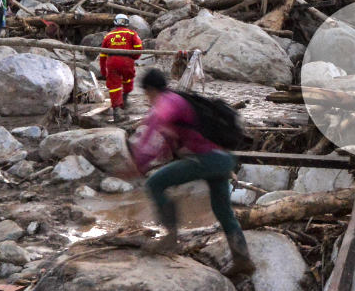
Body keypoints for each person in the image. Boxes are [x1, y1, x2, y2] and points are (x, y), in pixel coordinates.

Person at [131, 69, 254, 273]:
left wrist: (138, 161)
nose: (147, 99)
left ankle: (171, 238)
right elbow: (169, 141)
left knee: (155, 183)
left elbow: (159, 118)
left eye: (146, 94)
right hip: (223, 160)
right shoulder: (180, 98)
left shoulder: (168, 102)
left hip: (208, 160)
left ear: (151, 90)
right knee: (222, 210)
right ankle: (243, 259)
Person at [99, 14, 142, 122]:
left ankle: (117, 111)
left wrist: (103, 70)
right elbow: (138, 48)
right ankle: (125, 99)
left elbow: (103, 54)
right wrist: (134, 57)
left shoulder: (108, 36)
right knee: (128, 78)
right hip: (127, 61)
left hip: (112, 62)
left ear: (115, 22)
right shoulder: (132, 33)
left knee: (114, 86)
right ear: (127, 23)